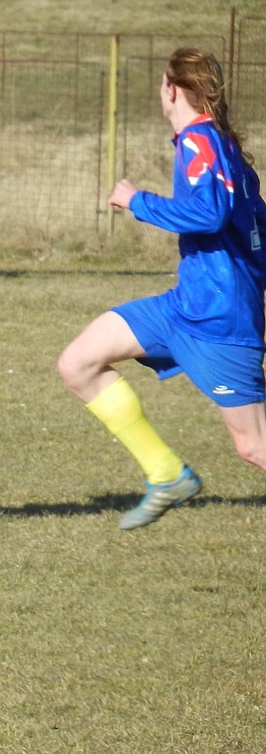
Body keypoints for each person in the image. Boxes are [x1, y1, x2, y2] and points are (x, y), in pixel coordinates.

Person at [58, 47, 266, 530]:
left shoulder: (200, 142)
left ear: (172, 90)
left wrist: (138, 201)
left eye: (160, 83)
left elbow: (210, 215)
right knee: (78, 363)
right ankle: (167, 474)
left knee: (254, 446)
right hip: (186, 305)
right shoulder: (215, 142)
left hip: (219, 320)